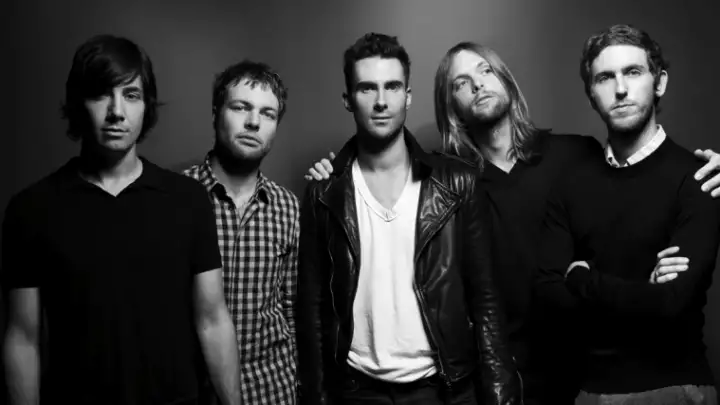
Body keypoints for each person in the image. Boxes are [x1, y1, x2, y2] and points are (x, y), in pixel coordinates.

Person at [304, 39, 720, 404]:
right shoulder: (449, 184)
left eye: (485, 71)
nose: (477, 84)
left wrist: (709, 170)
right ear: (451, 105)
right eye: (461, 82)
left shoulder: (576, 155)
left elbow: (637, 185)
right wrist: (337, 170)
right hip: (502, 372)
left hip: (584, 370)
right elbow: (383, 166)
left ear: (505, 79)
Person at [1, 35, 240, 405]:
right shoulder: (31, 209)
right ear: (78, 103)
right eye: (101, 94)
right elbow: (23, 338)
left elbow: (212, 319)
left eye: (131, 94)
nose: (116, 111)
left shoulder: (188, 200)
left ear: (146, 106)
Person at [296, 32, 521, 405]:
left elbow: (485, 300)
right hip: (357, 393)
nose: (381, 101)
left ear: (408, 96)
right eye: (367, 88)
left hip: (445, 389)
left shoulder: (457, 182)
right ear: (348, 100)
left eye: (392, 87)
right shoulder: (324, 192)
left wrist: (501, 395)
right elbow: (313, 311)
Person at [536, 24, 719, 404]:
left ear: (659, 82)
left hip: (674, 388)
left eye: (633, 72)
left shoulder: (700, 178)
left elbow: (672, 305)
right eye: (605, 77)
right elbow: (548, 297)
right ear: (591, 94)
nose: (620, 89)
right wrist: (644, 294)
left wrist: (583, 279)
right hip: (589, 392)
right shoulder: (570, 184)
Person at [183, 60, 299, 405]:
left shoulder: (288, 206)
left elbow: (292, 310)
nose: (253, 122)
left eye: (267, 114)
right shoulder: (177, 196)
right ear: (216, 113)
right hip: (194, 390)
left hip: (273, 389)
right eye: (240, 107)